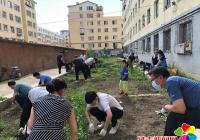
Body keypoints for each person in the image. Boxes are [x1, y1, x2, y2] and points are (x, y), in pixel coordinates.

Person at [149, 67, 200, 136]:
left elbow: (180, 109)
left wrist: (166, 107)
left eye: (153, 79)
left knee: (173, 117)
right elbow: (176, 103)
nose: (153, 82)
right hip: (196, 108)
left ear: (160, 77)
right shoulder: (173, 80)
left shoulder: (171, 82)